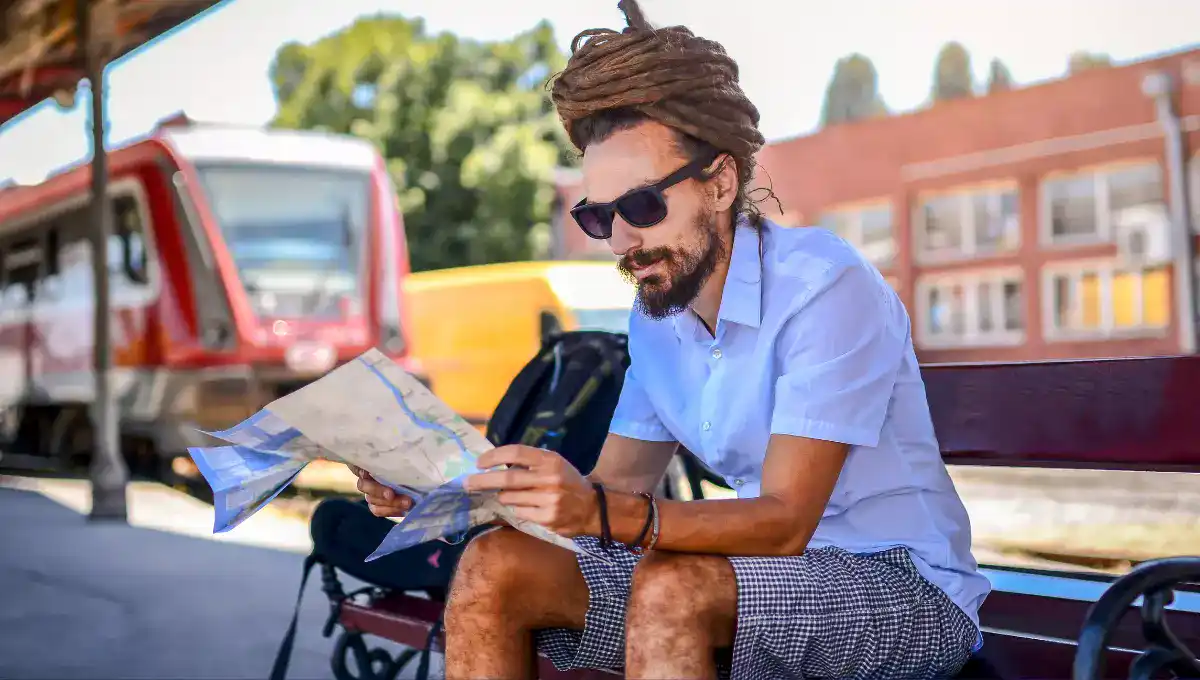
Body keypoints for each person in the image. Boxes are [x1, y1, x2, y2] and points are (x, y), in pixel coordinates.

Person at [351, 1, 991, 677]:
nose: (624, 238)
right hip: (752, 581)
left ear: (719, 182)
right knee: (497, 567)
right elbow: (610, 488)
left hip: (903, 591)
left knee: (673, 586)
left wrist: (602, 511)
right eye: (600, 217)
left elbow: (783, 522)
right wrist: (448, 503)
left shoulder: (823, 285)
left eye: (643, 205)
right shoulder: (657, 319)